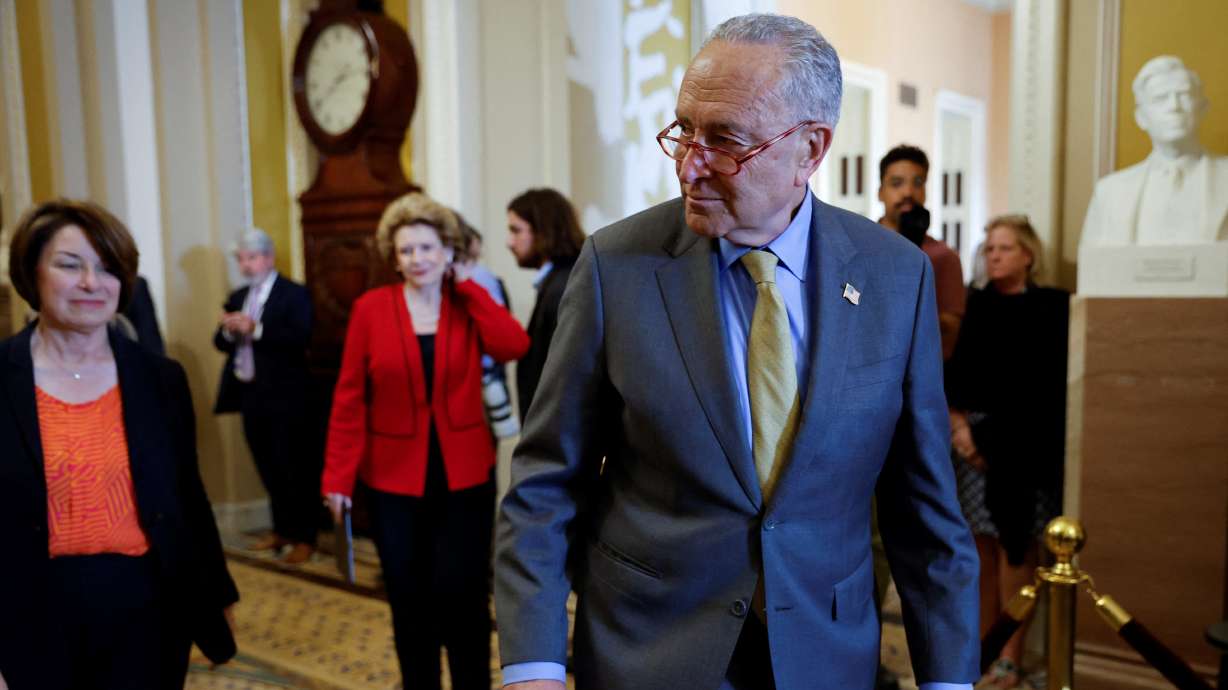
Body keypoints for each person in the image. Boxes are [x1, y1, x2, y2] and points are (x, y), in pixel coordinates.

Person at [494, 13, 978, 690]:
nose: (690, 163)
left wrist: (949, 679)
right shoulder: (617, 265)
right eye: (684, 130)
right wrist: (534, 662)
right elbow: (546, 485)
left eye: (725, 141)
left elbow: (925, 512)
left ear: (811, 149)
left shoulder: (895, 276)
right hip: (649, 648)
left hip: (824, 654)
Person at [0, 199, 237, 689]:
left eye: (108, 269)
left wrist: (217, 595)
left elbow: (188, 498)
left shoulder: (160, 378)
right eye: (70, 265)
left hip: (148, 606)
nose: (92, 282)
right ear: (33, 273)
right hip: (30, 607)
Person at [321, 192, 529, 690]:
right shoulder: (372, 309)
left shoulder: (468, 303)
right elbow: (350, 398)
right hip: (395, 483)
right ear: (394, 258)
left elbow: (513, 344)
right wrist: (337, 478)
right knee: (408, 597)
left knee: (463, 596)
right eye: (407, 250)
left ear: (448, 252)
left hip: (464, 479)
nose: (417, 259)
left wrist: (471, 290)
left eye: (427, 248)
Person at [947, 215, 1069, 689]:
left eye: (1004, 247)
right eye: (989, 247)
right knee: (978, 555)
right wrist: (961, 432)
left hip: (1026, 452)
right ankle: (985, 648)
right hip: (972, 447)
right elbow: (953, 375)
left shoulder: (1052, 307)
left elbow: (1050, 390)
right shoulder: (975, 306)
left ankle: (1010, 657)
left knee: (1017, 553)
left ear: (1028, 255)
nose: (994, 255)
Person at [213, 229, 317, 564]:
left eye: (252, 258)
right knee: (267, 465)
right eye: (241, 259)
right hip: (249, 393)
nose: (245, 265)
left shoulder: (293, 293)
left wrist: (254, 329)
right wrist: (229, 329)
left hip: (287, 396)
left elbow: (300, 336)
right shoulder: (238, 295)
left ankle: (305, 536)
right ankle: (282, 530)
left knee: (294, 467)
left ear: (268, 258)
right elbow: (220, 343)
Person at [1081, 55, 1228, 247]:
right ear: (1141, 117)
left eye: (1184, 95)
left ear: (1202, 108)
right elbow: (1095, 271)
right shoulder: (1110, 193)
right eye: (1160, 98)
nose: (1174, 106)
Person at [504, 188, 586, 420]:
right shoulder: (561, 280)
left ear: (543, 230)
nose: (509, 242)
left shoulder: (564, 286)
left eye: (516, 230)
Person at [877, 144, 966, 359]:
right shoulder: (857, 247)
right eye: (897, 183)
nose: (908, 192)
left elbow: (950, 329)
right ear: (880, 192)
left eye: (918, 183)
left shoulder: (944, 257)